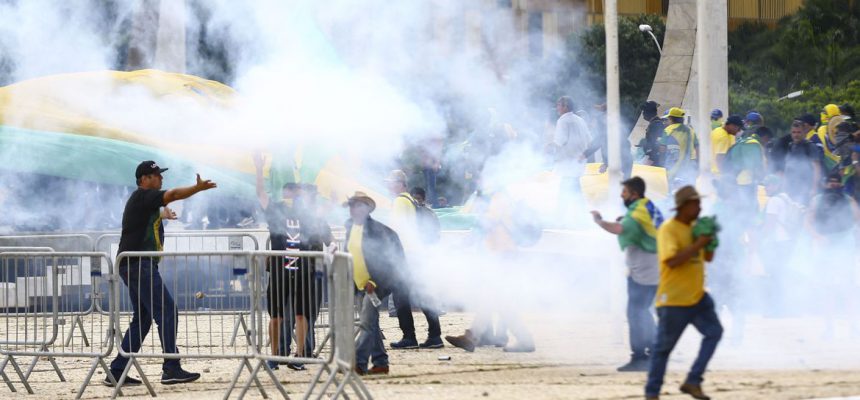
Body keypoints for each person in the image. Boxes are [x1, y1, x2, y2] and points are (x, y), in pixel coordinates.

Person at [107, 161, 216, 387]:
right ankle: (171, 367)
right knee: (167, 311)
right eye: (156, 175)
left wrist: (162, 215)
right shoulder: (143, 196)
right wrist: (197, 189)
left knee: (143, 319)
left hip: (134, 265)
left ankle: (117, 371)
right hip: (139, 265)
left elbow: (146, 219)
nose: (161, 179)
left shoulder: (143, 202)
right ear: (144, 179)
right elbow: (174, 194)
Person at [253, 153, 332, 371]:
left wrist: (329, 203)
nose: (292, 196)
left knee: (301, 314)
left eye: (296, 193)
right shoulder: (276, 209)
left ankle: (298, 356)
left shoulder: (307, 214)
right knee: (276, 316)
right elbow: (260, 193)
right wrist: (259, 170)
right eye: (290, 192)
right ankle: (275, 356)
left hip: (303, 270)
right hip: (280, 269)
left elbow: (323, 229)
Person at [645, 186, 722, 400]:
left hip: (697, 296)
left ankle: (693, 380)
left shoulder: (695, 227)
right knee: (662, 350)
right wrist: (700, 243)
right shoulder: (669, 229)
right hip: (674, 299)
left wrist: (710, 241)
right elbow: (672, 260)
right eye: (695, 203)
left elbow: (708, 258)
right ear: (683, 206)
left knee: (714, 332)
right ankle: (652, 393)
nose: (699, 207)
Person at [590, 177, 664, 372]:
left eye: (624, 192)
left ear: (634, 193)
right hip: (652, 266)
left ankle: (640, 357)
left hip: (645, 269)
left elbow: (619, 229)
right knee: (643, 310)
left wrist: (599, 221)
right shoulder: (645, 206)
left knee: (636, 312)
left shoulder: (638, 211)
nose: (622, 195)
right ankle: (656, 351)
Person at [345, 191, 405, 375]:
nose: (355, 209)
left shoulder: (377, 230)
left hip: (374, 285)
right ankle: (381, 362)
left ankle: (358, 363)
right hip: (359, 284)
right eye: (353, 205)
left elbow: (385, 260)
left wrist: (374, 281)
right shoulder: (349, 226)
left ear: (367, 209)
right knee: (371, 324)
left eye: (359, 205)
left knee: (366, 324)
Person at [386, 170, 443, 349]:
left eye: (391, 182)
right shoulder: (410, 200)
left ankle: (409, 337)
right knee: (423, 294)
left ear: (400, 184)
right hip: (416, 252)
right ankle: (435, 335)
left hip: (406, 254)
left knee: (401, 297)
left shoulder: (399, 201)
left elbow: (396, 231)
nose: (389, 185)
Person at [552, 96, 593, 190]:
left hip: (568, 163)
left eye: (558, 105)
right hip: (579, 162)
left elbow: (559, 142)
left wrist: (549, 147)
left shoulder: (562, 121)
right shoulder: (580, 120)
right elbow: (589, 140)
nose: (557, 108)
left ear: (565, 107)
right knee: (575, 189)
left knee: (566, 191)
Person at [783, 119, 823, 204]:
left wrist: (814, 188)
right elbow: (788, 166)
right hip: (792, 188)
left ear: (804, 133)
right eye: (794, 132)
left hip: (806, 189)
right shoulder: (791, 146)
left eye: (798, 132)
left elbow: (817, 168)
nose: (796, 135)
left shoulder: (810, 146)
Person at [659, 107, 698, 189]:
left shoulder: (667, 130)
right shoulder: (691, 130)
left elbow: (662, 149)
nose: (666, 121)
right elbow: (697, 148)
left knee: (672, 190)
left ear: (670, 119)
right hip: (689, 165)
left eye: (667, 119)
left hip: (673, 165)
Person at [638, 101, 664, 166]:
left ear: (649, 112)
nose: (643, 114)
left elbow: (657, 144)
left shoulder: (656, 125)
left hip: (654, 161)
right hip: (652, 158)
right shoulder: (654, 123)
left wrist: (650, 159)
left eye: (644, 111)